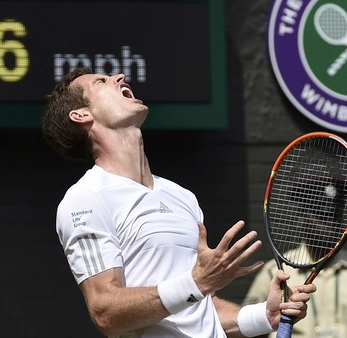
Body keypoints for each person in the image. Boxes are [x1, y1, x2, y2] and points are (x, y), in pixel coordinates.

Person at [42, 67, 316, 338]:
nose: (119, 78)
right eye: (101, 81)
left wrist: (264, 316)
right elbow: (105, 312)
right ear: (81, 114)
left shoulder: (182, 196)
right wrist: (196, 282)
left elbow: (195, 310)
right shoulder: (86, 199)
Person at [243, 246, 347, 338]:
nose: (328, 221)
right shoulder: (276, 272)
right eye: (320, 214)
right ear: (303, 216)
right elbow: (249, 331)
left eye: (335, 215)